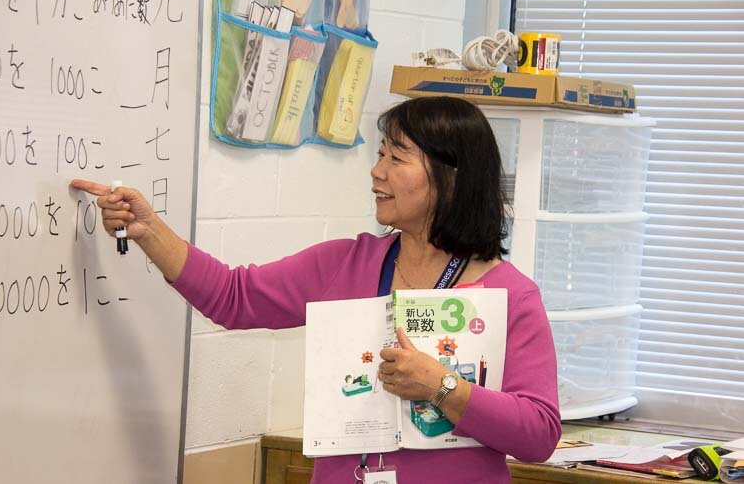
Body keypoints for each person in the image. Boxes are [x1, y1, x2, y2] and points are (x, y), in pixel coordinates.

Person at [71, 96, 560, 483]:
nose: (377, 171)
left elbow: (538, 434)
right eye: (380, 154)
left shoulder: (510, 294)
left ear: (451, 178)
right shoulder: (346, 262)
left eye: (397, 157)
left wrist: (442, 386)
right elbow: (233, 297)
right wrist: (149, 230)